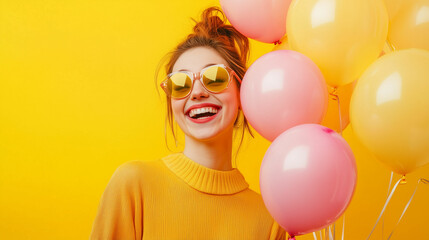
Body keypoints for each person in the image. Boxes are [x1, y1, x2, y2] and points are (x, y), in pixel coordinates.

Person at [89, 6, 287, 240]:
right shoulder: (133, 185)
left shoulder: (270, 220)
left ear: (242, 93)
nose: (196, 93)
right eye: (180, 84)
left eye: (214, 77)